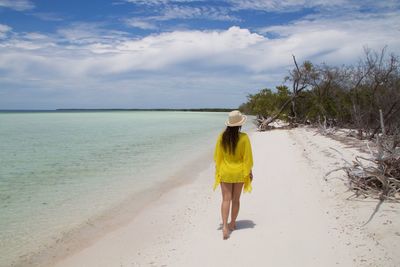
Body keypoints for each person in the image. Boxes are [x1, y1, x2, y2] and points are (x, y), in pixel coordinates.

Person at [213, 110, 253, 240]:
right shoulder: (244, 138)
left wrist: (218, 171)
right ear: (240, 124)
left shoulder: (221, 137)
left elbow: (218, 157)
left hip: (226, 171)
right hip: (239, 172)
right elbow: (247, 158)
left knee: (226, 199)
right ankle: (233, 223)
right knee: (236, 200)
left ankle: (224, 226)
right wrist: (249, 172)